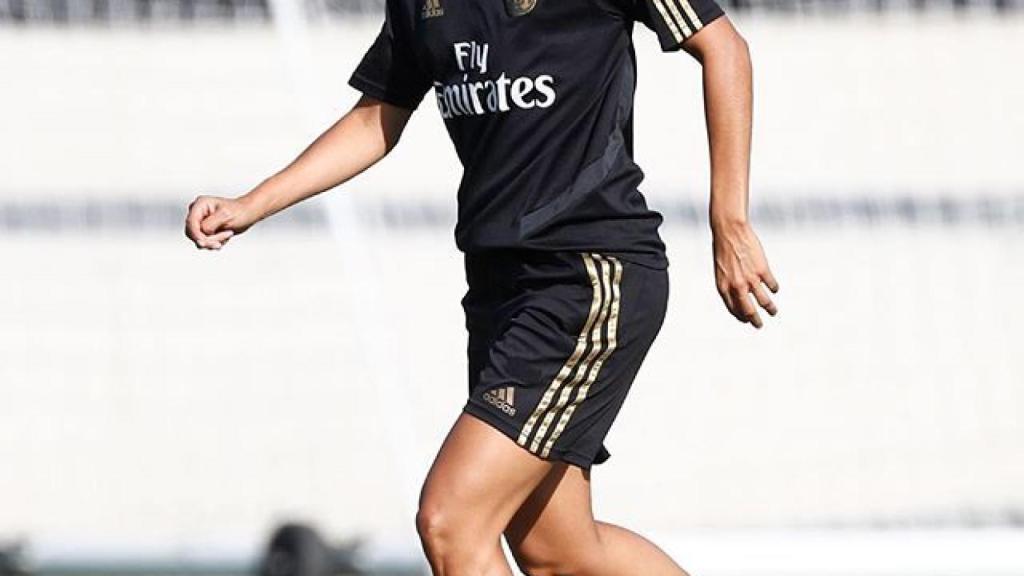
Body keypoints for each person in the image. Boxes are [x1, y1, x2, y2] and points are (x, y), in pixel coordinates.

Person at [185, 0, 779, 573]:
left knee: (450, 521)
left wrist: (729, 222)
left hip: (586, 277)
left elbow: (724, 47)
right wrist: (252, 203)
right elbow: (377, 117)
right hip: (499, 292)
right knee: (560, 553)